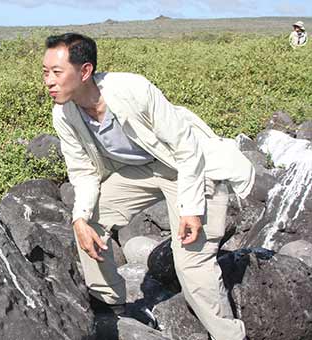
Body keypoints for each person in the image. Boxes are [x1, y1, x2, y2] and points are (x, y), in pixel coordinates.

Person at [42, 33, 255, 340]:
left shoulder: (132, 90)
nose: (48, 81)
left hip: (190, 169)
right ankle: (110, 305)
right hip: (142, 170)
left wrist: (192, 209)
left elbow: (187, 148)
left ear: (85, 71)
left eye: (56, 72)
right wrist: (79, 217)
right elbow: (83, 172)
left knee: (192, 264)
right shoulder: (64, 113)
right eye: (45, 72)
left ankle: (230, 336)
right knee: (88, 224)